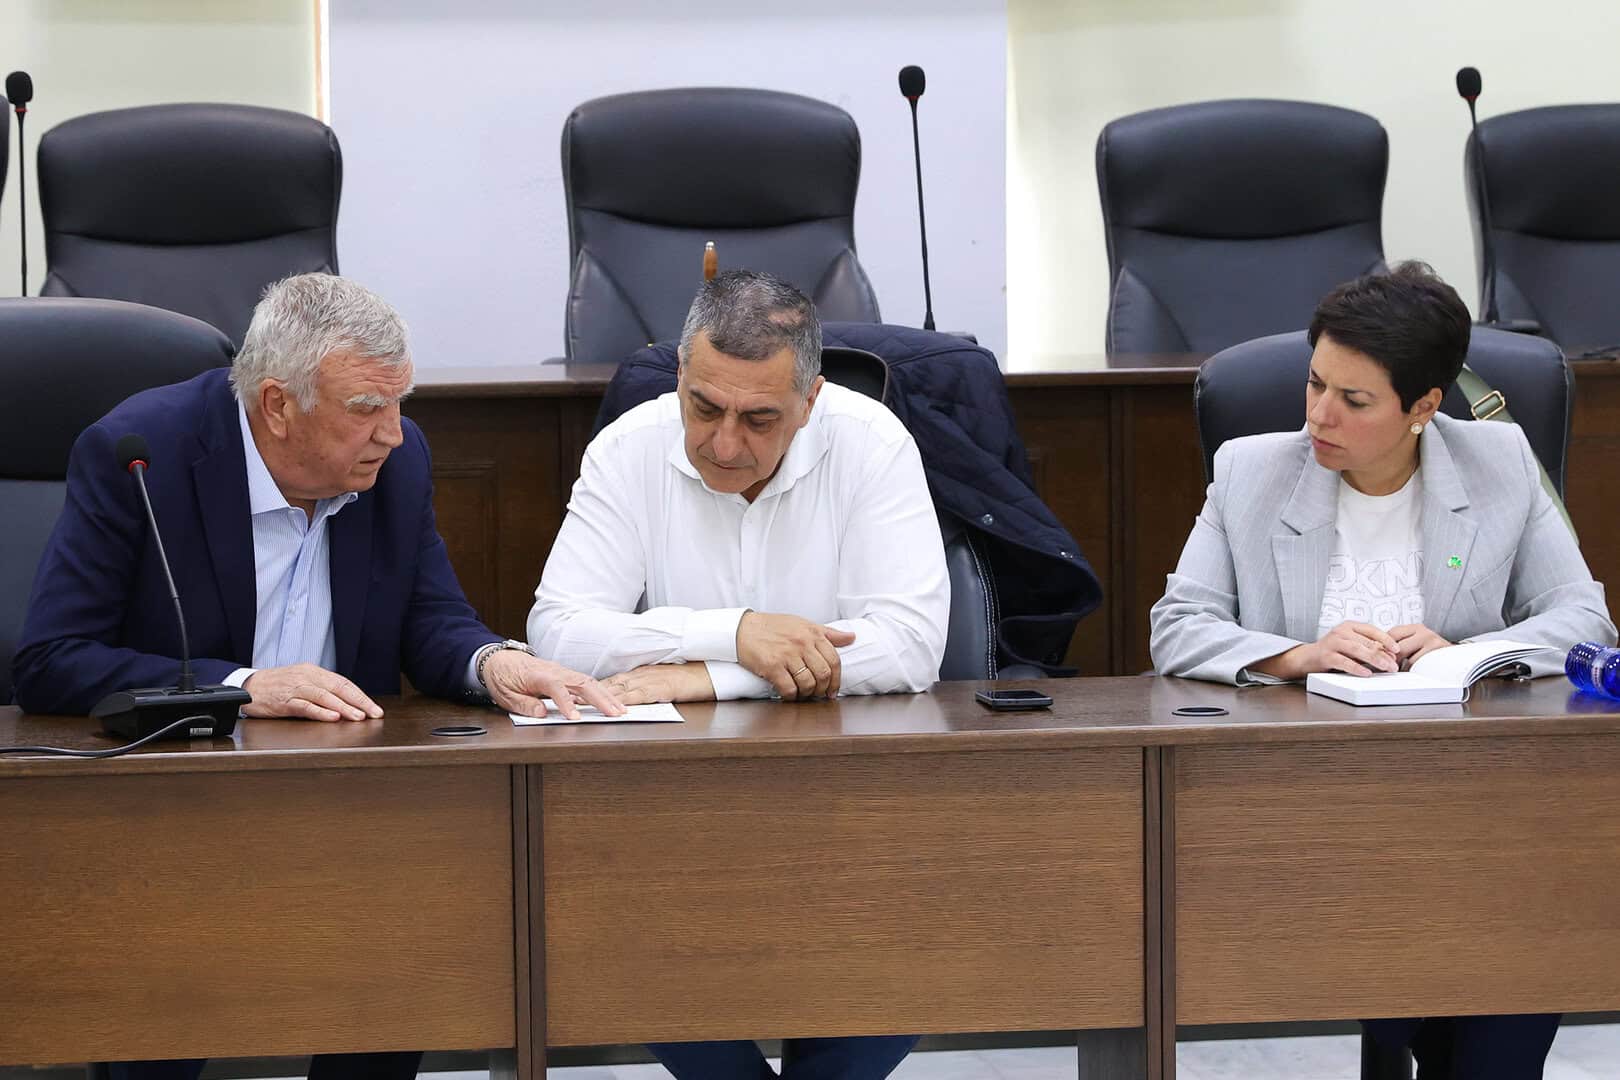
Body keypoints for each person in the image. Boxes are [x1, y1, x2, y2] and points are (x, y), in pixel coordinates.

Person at [14, 273, 622, 1080]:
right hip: (177, 810)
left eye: (398, 404)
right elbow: (52, 659)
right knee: (163, 1013)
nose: (393, 434)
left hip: (346, 807)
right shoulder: (141, 455)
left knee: (423, 940)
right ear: (277, 405)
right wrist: (243, 686)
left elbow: (431, 619)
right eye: (367, 409)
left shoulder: (395, 466)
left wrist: (494, 660)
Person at [1151, 261, 1615, 1077]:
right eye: (1314, 383)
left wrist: (1469, 654)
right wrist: (1297, 656)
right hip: (1307, 807)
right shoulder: (1252, 472)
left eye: (1354, 400)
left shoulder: (1499, 461)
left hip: (1470, 801)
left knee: (1525, 919)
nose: (1318, 415)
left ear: (1424, 408)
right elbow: (1178, 627)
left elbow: (1583, 619)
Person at [529, 269, 947, 1078]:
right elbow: (559, 630)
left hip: (851, 806)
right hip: (674, 812)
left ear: (810, 400)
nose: (724, 444)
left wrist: (717, 676)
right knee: (604, 917)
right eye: (704, 408)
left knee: (905, 935)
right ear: (681, 377)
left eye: (759, 419)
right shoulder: (628, 448)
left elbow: (910, 644)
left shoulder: (872, 443)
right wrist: (734, 633)